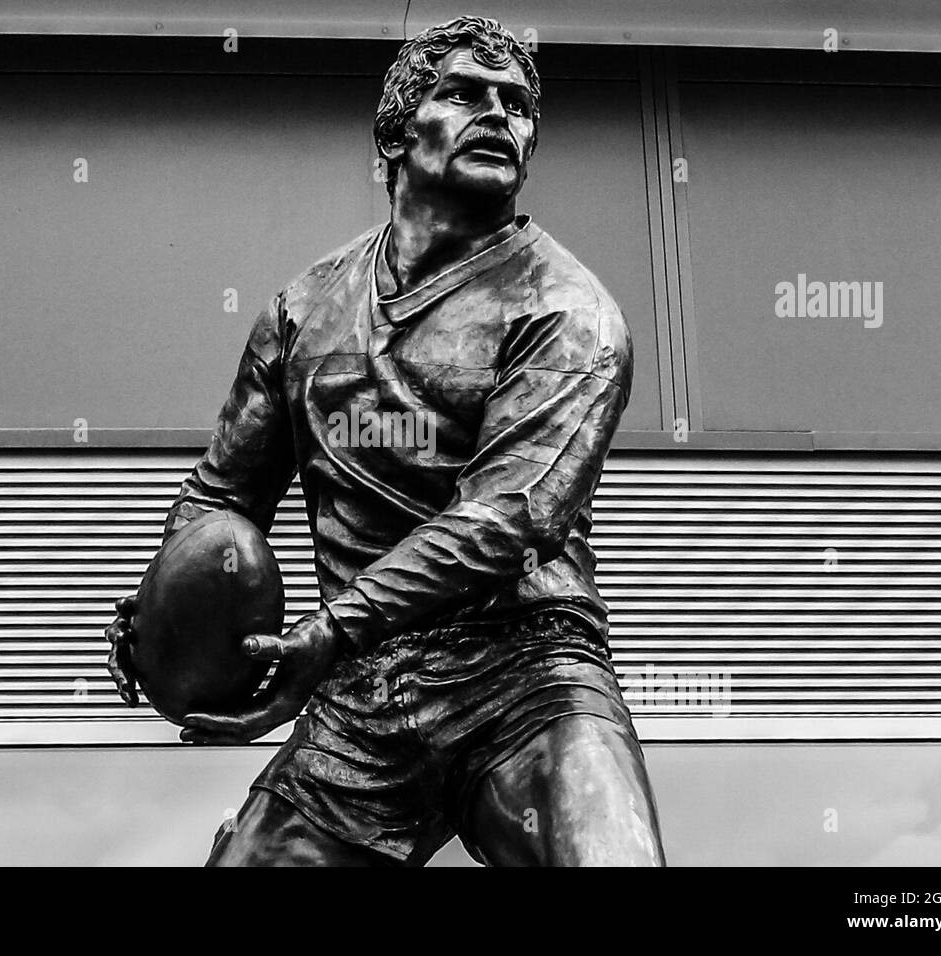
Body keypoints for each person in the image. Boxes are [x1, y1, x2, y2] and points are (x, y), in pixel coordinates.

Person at [105, 14, 665, 867]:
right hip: (363, 699)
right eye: (466, 93)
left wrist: (328, 632)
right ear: (399, 131)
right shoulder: (305, 308)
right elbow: (223, 497)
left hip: (524, 674)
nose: (499, 116)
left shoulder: (570, 310)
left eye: (517, 105)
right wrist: (162, 612)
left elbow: (510, 515)